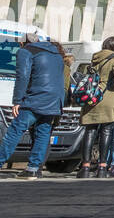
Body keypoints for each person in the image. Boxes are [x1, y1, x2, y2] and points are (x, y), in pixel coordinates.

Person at [0, 30, 68, 179]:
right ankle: (32, 169)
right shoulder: (56, 54)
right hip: (55, 99)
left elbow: (22, 76)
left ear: (23, 43)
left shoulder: (26, 51)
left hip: (36, 98)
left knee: (15, 130)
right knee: (43, 132)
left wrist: (17, 101)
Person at [78, 38, 114, 178]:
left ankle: (85, 167)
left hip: (92, 98)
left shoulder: (96, 57)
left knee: (89, 131)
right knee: (106, 131)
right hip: (108, 98)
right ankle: (102, 167)